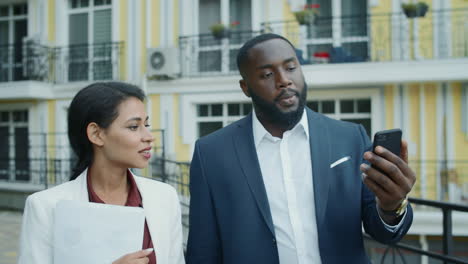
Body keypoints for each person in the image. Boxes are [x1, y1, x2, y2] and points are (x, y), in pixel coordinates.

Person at [186, 34, 416, 264]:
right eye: (267, 74)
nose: (284, 80)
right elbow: (203, 249)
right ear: (245, 87)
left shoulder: (350, 138)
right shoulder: (211, 154)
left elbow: (384, 231)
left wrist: (391, 206)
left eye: (291, 67)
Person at [18, 82, 185, 264]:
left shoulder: (164, 197)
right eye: (133, 127)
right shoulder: (46, 207)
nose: (149, 136)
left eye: (146, 124)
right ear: (96, 134)